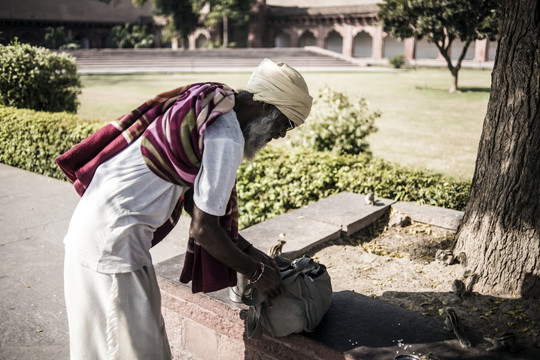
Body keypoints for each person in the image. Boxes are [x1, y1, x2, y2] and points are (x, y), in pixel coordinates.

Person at [56, 58, 313, 359]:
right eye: (286, 124)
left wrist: (247, 250)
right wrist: (256, 273)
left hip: (96, 230)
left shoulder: (215, 102)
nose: (281, 135)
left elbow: (195, 201)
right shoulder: (227, 137)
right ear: (269, 107)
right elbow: (204, 229)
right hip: (112, 249)